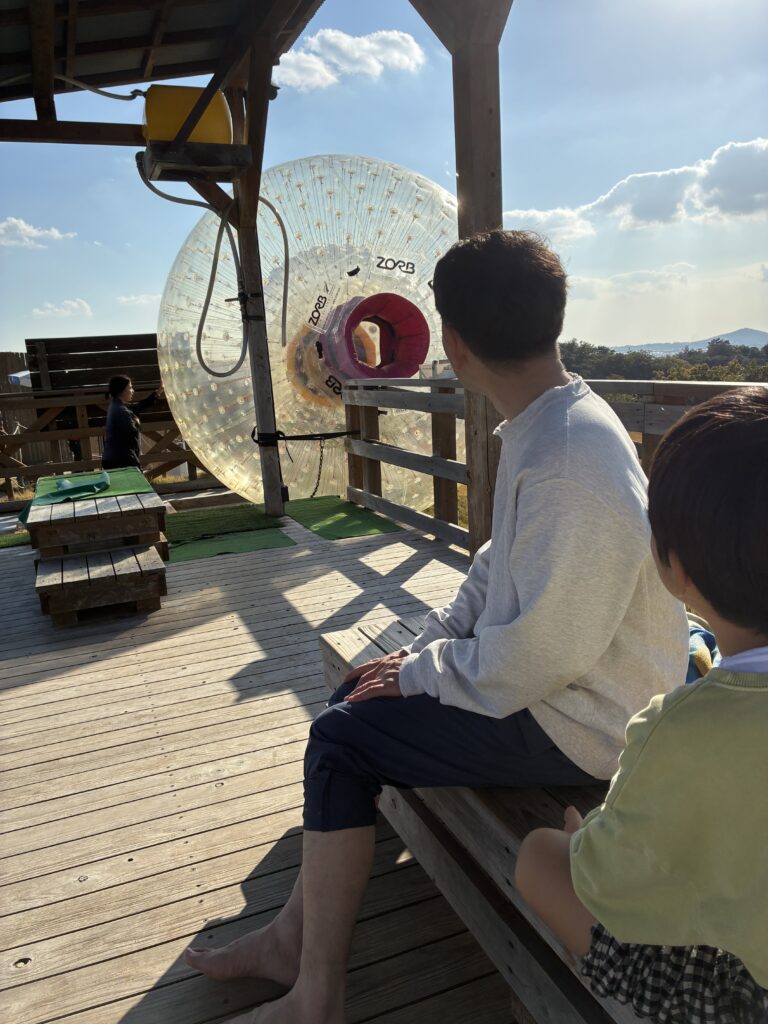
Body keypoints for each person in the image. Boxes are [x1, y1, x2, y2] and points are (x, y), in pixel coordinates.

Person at [184, 230, 689, 1024]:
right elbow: (495, 569)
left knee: (341, 741)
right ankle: (291, 941)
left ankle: (316, 994)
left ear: (454, 343)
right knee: (355, 699)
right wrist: (420, 651)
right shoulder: (556, 423)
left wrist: (423, 672)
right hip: (563, 689)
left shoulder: (566, 458)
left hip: (585, 722)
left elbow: (540, 656)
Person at [515, 387, 768, 1024]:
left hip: (746, 994)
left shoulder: (680, 728)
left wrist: (588, 844)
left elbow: (607, 886)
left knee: (541, 857)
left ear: (673, 568)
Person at [101, 374, 163, 471]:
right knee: (138, 481)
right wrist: (137, 422)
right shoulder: (121, 411)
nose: (132, 390)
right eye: (130, 387)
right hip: (121, 461)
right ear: (122, 390)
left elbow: (139, 406)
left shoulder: (116, 405)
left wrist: (158, 392)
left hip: (113, 459)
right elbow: (131, 431)